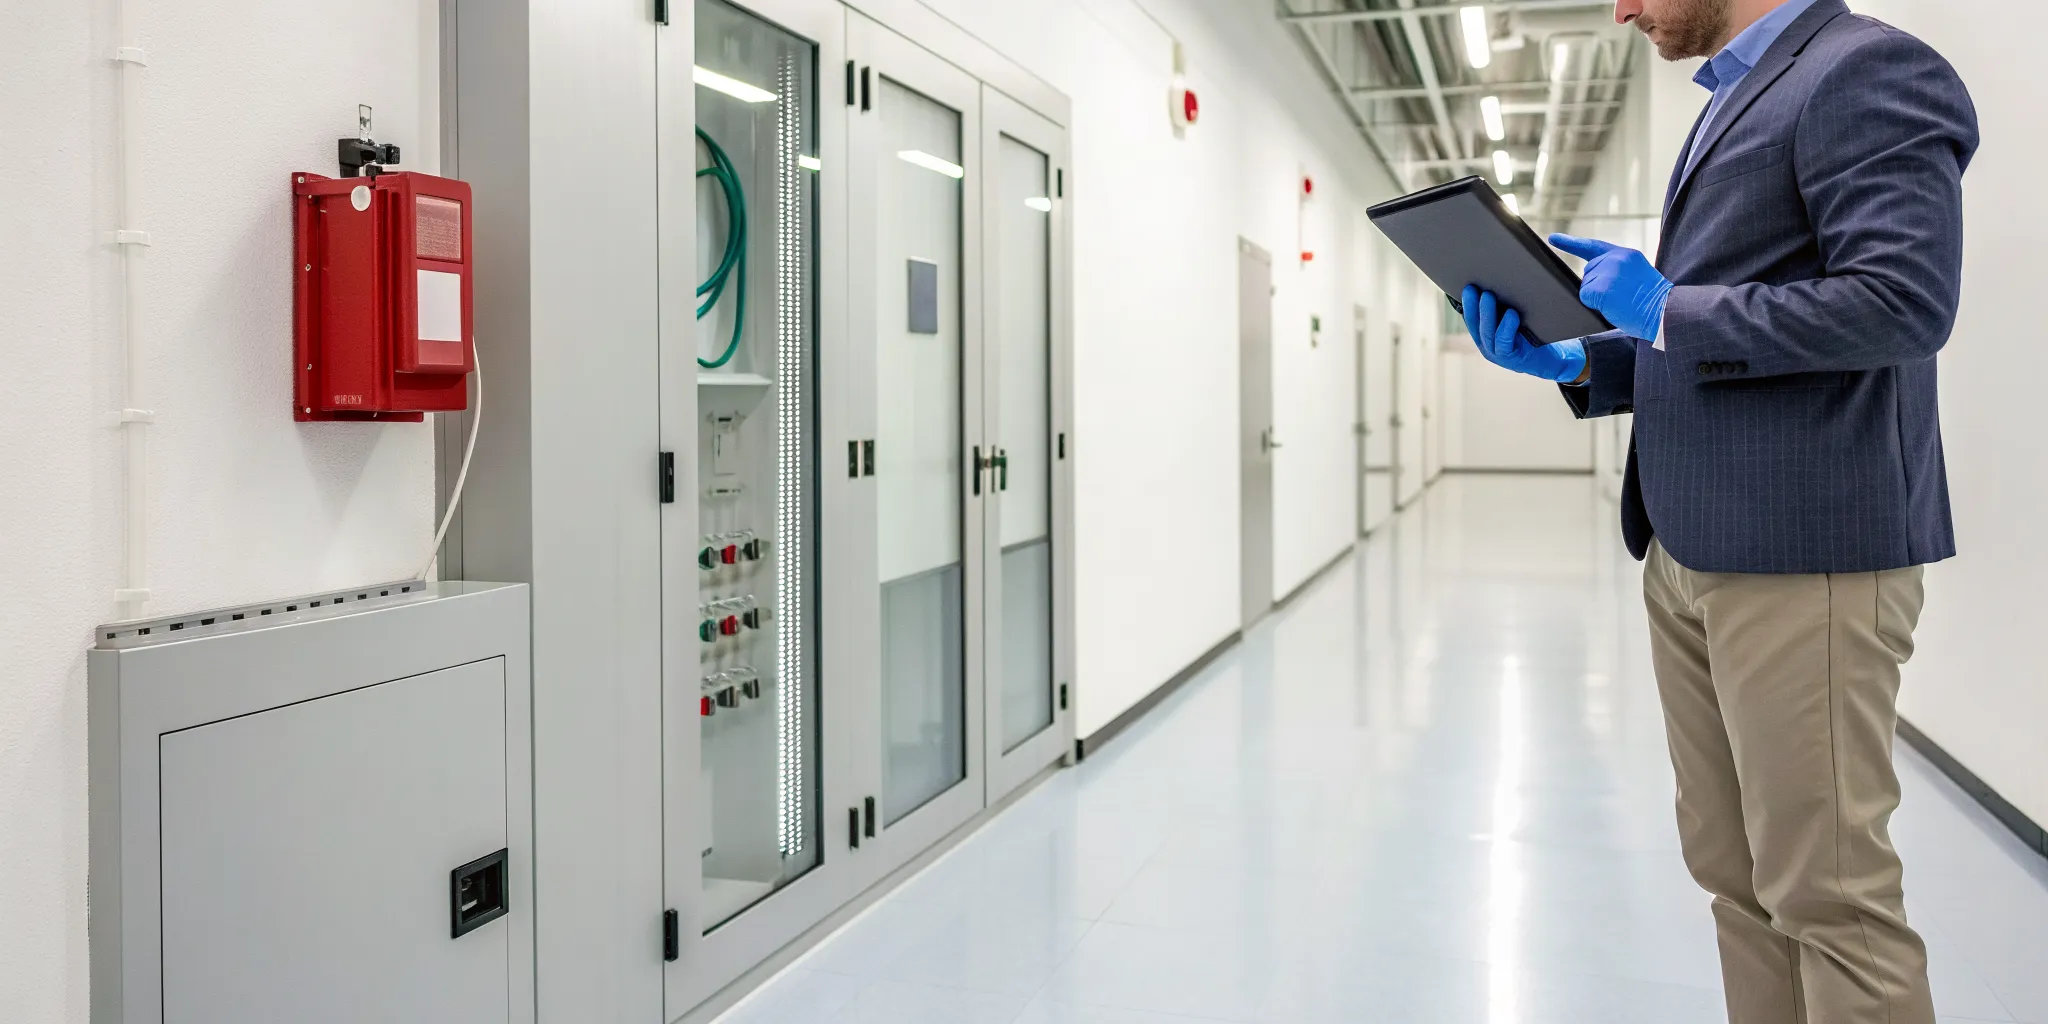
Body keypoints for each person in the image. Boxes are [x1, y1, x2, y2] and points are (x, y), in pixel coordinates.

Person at [1458, 1, 1979, 1022]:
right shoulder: (1733, 98)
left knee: (1828, 898)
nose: (1621, 10)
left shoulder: (1865, 69)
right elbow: (1704, 345)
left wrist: (1664, 307)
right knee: (1733, 878)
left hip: (1802, 552)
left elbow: (1902, 301)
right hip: (1689, 544)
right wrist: (1580, 361)